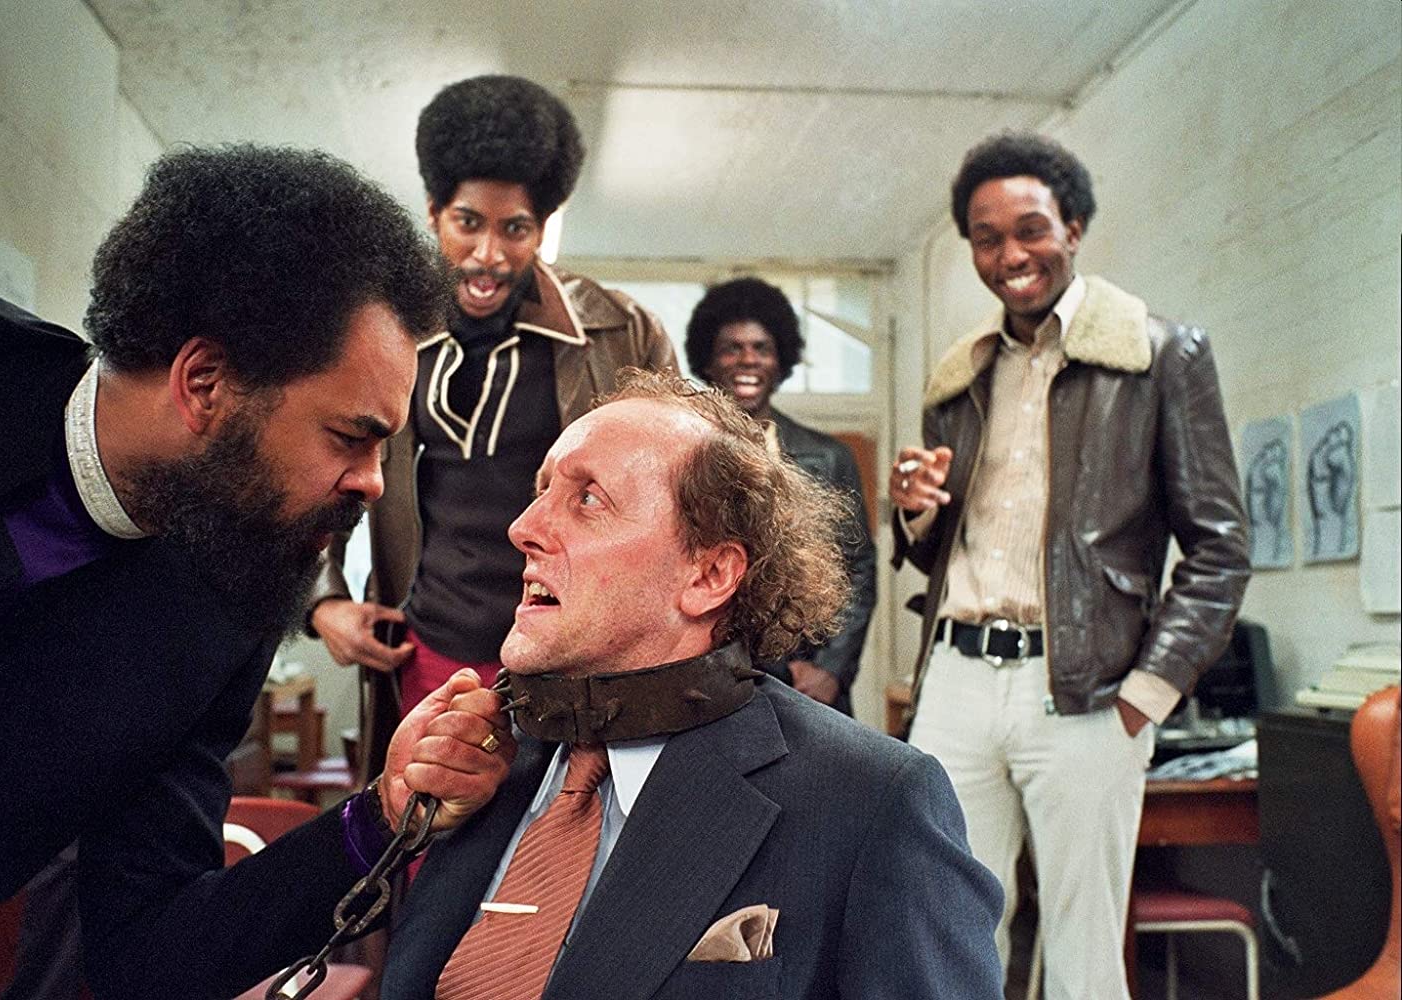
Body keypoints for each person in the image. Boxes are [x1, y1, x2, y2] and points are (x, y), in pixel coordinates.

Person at [0, 145, 514, 1000]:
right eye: (350, 436)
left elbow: (151, 952)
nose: (375, 484)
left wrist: (379, 814)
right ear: (204, 383)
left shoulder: (224, 607)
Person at [381, 370, 1003, 1000]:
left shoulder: (872, 803)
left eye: (588, 498)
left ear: (709, 575)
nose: (522, 527)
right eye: (541, 490)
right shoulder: (478, 764)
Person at [888, 132, 1250, 998]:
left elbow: (1221, 546)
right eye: (986, 238)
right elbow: (939, 549)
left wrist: (1147, 693)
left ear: (1074, 228)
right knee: (946, 928)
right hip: (957, 682)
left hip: (1088, 690)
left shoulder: (1160, 356)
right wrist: (914, 510)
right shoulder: (960, 376)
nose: (1010, 255)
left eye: (1031, 230)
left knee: (1085, 957)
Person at [308, 74, 676, 784]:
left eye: (515, 229)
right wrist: (321, 601)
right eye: (468, 223)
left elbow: (678, 491)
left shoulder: (621, 332)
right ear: (434, 213)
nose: (488, 254)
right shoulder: (382, 330)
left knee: (556, 844)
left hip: (573, 661)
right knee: (429, 837)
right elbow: (322, 465)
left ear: (543, 227)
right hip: (430, 655)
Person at [686, 277, 876, 714]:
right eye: (731, 348)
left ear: (781, 359)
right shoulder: (684, 455)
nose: (748, 359)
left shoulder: (829, 457)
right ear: (708, 361)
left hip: (808, 679)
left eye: (762, 348)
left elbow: (858, 571)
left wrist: (830, 669)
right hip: (709, 674)